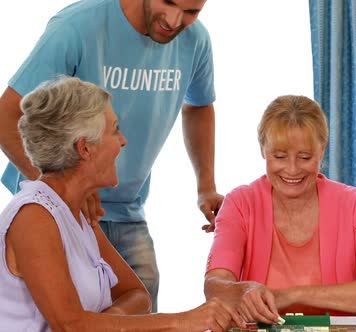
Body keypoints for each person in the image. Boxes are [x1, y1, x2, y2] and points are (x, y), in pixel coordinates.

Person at [0, 0, 223, 310]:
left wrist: (206, 186)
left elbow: (199, 105)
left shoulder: (195, 41)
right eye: (169, 2)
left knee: (138, 308)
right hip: (57, 208)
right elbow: (5, 115)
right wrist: (63, 191)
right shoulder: (77, 26)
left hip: (127, 210)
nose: (175, 20)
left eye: (191, 11)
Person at [0, 77, 242, 332]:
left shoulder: (77, 212)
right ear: (85, 148)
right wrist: (182, 320)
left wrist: (107, 322)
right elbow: (70, 325)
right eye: (114, 129)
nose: (123, 140)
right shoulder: (34, 217)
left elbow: (138, 295)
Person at [204, 95, 356, 324]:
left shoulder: (355, 204)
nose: (292, 169)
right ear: (262, 149)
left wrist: (292, 295)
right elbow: (214, 286)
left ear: (322, 149)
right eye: (279, 156)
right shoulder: (239, 203)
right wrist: (242, 290)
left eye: (304, 157)